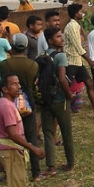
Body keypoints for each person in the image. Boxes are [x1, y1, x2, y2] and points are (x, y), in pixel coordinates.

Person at [0, 74, 45, 187]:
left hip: (9, 151)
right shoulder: (7, 106)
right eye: (14, 84)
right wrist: (33, 148)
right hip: (11, 152)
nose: (19, 86)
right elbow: (13, 134)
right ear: (5, 89)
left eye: (18, 83)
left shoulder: (5, 103)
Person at [0, 33, 42, 181]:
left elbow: (3, 80)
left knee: (11, 138)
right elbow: (34, 84)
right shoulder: (33, 65)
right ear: (26, 47)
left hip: (10, 104)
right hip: (28, 104)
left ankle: (9, 172)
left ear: (12, 46)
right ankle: (36, 172)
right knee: (31, 137)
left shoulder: (4, 64)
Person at [39, 27, 75, 175]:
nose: (62, 39)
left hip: (46, 99)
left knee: (48, 132)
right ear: (50, 40)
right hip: (60, 99)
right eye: (58, 37)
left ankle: (51, 167)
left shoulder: (42, 55)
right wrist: (69, 95)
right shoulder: (60, 56)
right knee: (66, 131)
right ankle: (70, 163)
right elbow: (62, 78)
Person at [63, 3, 94, 119]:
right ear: (75, 14)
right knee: (65, 88)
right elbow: (78, 46)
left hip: (78, 61)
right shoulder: (72, 26)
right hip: (71, 61)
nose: (81, 14)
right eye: (80, 12)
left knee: (89, 83)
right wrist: (90, 61)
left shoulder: (76, 25)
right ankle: (60, 112)